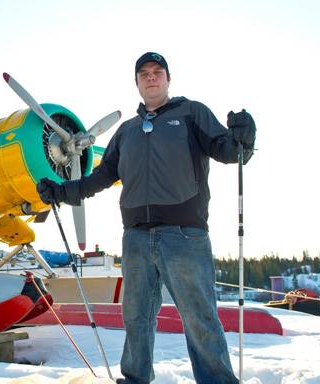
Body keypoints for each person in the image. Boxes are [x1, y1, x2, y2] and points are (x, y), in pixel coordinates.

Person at [37, 52, 256, 383]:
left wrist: (244, 138)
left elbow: (228, 151)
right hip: (136, 237)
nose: (151, 77)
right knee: (136, 317)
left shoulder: (191, 113)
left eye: (157, 72)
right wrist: (63, 191)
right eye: (144, 73)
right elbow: (101, 177)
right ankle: (136, 378)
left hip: (185, 236)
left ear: (168, 79)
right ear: (137, 83)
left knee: (199, 317)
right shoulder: (127, 131)